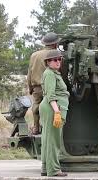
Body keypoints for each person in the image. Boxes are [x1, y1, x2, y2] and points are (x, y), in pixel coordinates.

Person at [39, 49, 69, 177]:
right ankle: (54, 170)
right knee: (53, 139)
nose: (58, 62)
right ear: (48, 62)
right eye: (55, 60)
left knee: (48, 138)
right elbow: (51, 95)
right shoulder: (50, 74)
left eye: (59, 59)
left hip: (51, 108)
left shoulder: (53, 73)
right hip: (53, 108)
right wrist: (57, 111)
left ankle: (46, 168)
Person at [27, 32, 60, 135]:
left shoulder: (34, 55)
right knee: (52, 108)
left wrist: (30, 88)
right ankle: (49, 130)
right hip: (52, 87)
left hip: (37, 87)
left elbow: (29, 73)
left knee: (36, 107)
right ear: (55, 44)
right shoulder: (56, 54)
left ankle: (36, 128)